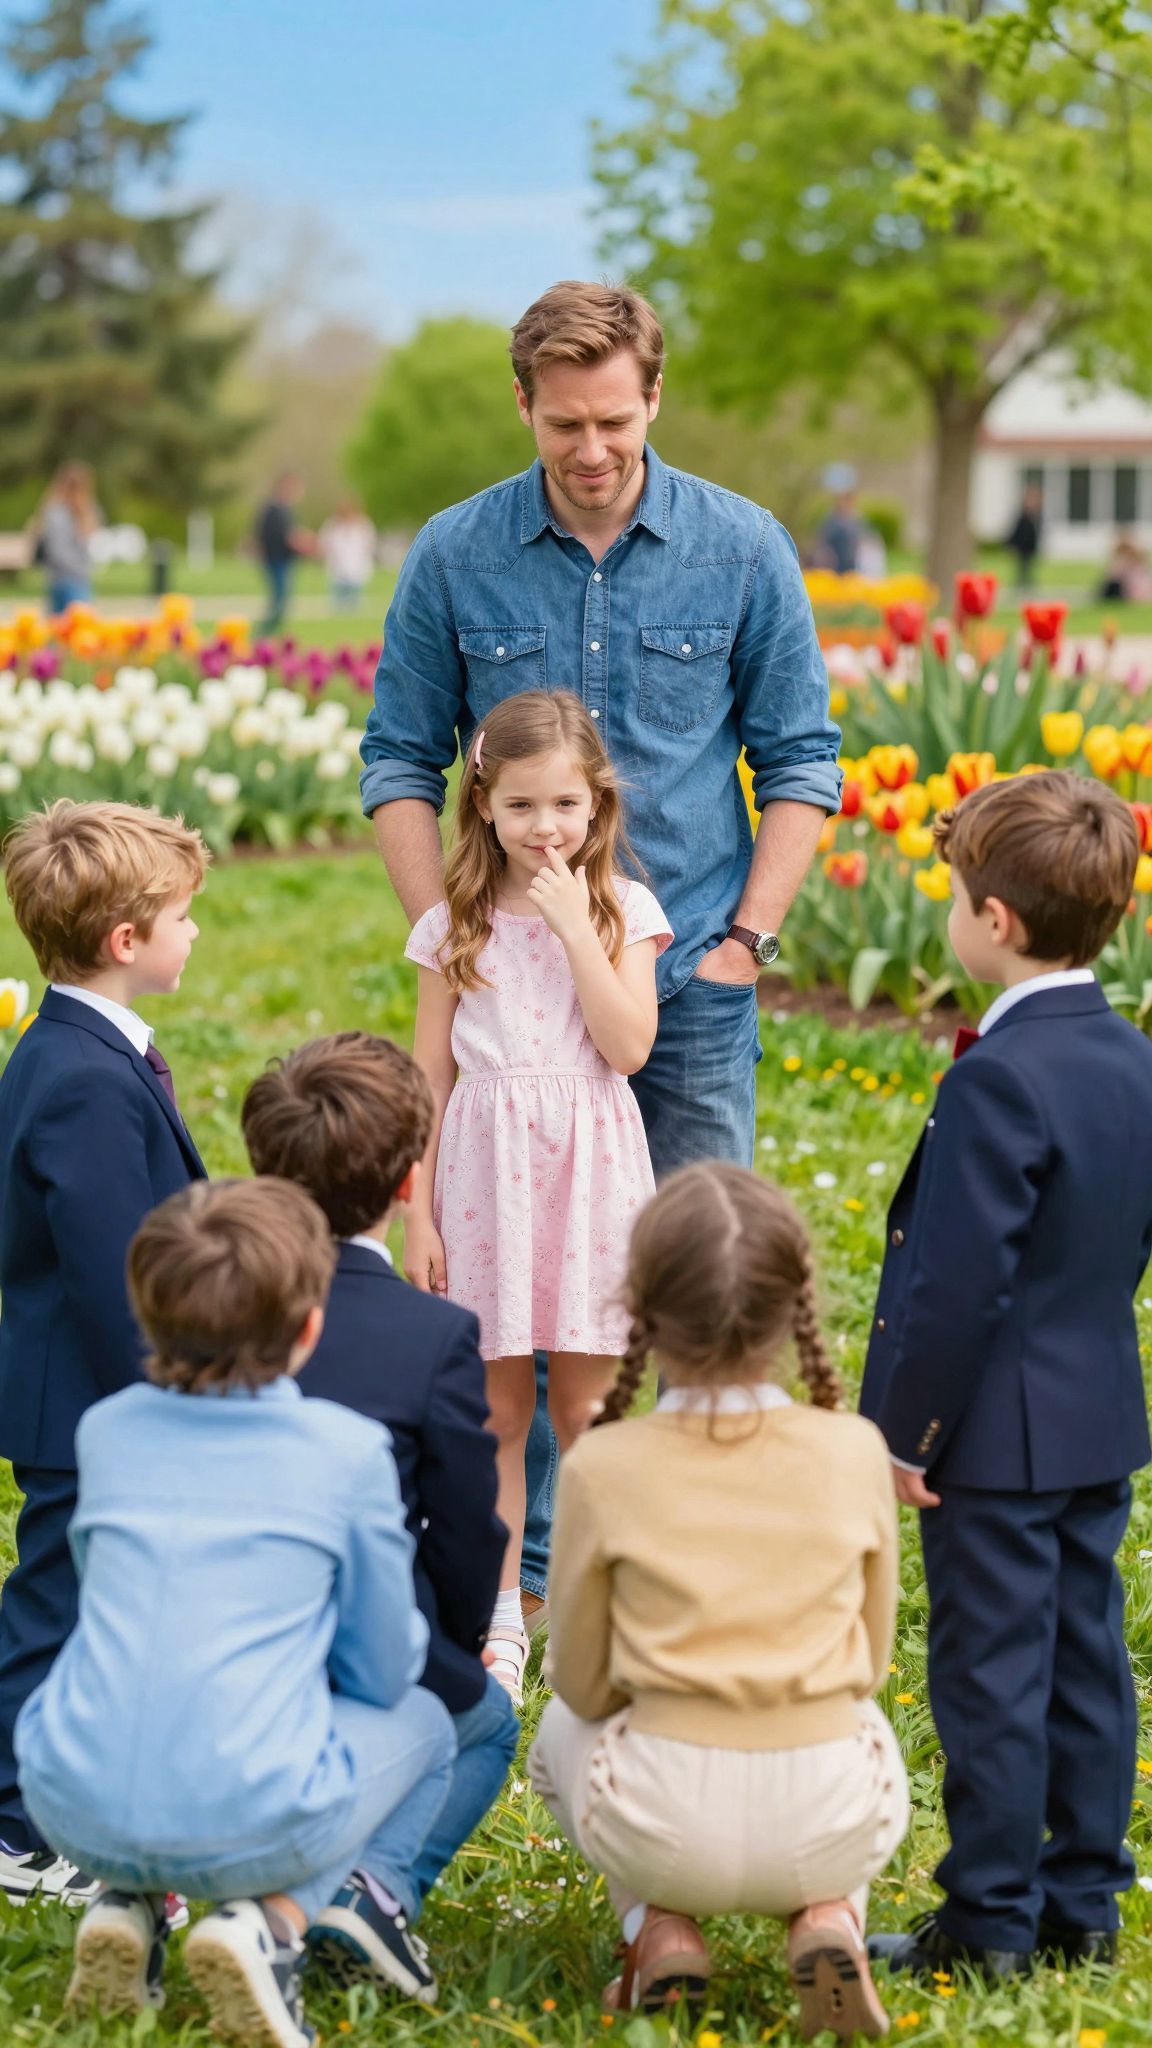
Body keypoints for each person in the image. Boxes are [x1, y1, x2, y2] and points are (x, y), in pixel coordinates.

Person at [361, 278, 841, 1613]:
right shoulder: (456, 556)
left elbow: (803, 760)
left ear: (655, 399)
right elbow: (400, 756)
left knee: (699, 1274)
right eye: (563, 424)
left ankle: (689, 1560)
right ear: (523, 405)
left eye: (615, 423)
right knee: (514, 1277)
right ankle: (527, 1574)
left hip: (677, 987)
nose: (589, 452)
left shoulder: (744, 548)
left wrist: (745, 940)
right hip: (507, 1005)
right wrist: (445, 933)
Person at [14, 1179, 456, 2042]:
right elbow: (380, 1667)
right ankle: (270, 1924)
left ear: (145, 1315)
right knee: (431, 1725)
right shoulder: (347, 1451)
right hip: (247, 1818)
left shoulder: (104, 1430)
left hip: (67, 1799)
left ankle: (128, 1905)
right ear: (309, 1329)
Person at [860, 770, 1152, 1983]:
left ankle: (986, 1917)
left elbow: (956, 1287)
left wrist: (903, 1432)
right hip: (1096, 1412)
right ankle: (1084, 1898)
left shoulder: (994, 1076)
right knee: (1088, 1658)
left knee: (990, 1673)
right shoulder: (1134, 1056)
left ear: (1001, 924)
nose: (951, 914)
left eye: (956, 896)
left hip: (989, 1433)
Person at [529, 1164, 907, 2038]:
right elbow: (872, 1664)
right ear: (794, 1305)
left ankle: (656, 1928)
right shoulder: (855, 1449)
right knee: (865, 1724)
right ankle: (828, 1918)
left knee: (558, 1737)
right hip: (831, 1820)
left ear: (642, 1306)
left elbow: (583, 1688)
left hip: (659, 1825)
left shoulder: (602, 1466)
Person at [403, 690, 670, 1706]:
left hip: (591, 1173)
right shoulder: (452, 923)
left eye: (564, 803)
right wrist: (416, 1207)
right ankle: (504, 1613)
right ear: (483, 806)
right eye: (520, 806)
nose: (544, 827)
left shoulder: (623, 912)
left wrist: (572, 930)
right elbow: (430, 1073)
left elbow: (629, 1045)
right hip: (483, 1180)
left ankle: (596, 1607)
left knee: (590, 1406)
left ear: (597, 805)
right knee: (498, 1410)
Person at [240, 1030, 517, 1991]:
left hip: (229, 1627)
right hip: (368, 1637)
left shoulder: (219, 1311)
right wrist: (461, 1638)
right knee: (488, 1722)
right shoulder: (434, 1334)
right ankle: (374, 1889)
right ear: (411, 1185)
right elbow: (469, 1527)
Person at [0, 800, 208, 1903]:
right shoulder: (84, 1076)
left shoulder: (76, 1045)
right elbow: (109, 1270)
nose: (194, 933)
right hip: (90, 1404)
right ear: (126, 940)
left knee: (75, 1595)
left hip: (80, 1398)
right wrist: (163, 1401)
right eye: (182, 916)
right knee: (58, 1605)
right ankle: (19, 1828)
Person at [33, 462, 100, 613]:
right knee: (77, 624)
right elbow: (58, 551)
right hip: (67, 578)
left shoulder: (84, 512)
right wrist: (81, 569)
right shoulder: (58, 513)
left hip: (71, 577)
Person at [255, 471, 312, 633]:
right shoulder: (274, 510)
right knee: (280, 599)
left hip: (283, 560)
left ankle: (273, 632)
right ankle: (264, 632)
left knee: (282, 599)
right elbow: (286, 536)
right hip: (275, 560)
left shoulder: (285, 510)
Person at [318, 498, 377, 611]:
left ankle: (352, 608)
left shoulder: (363, 525)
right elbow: (325, 542)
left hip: (356, 562)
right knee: (339, 590)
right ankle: (339, 608)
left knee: (354, 588)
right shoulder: (332, 525)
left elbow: (370, 542)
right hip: (337, 564)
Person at [818, 464, 863, 575]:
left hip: (852, 569)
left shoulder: (857, 521)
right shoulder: (830, 522)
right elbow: (823, 544)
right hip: (834, 570)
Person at [1006, 482, 1044, 589]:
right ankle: (1021, 586)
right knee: (1021, 568)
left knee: (1030, 568)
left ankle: (1028, 586)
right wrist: (1012, 545)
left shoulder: (1037, 515)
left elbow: (1037, 533)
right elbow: (1016, 532)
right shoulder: (1022, 516)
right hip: (1022, 548)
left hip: (1031, 548)